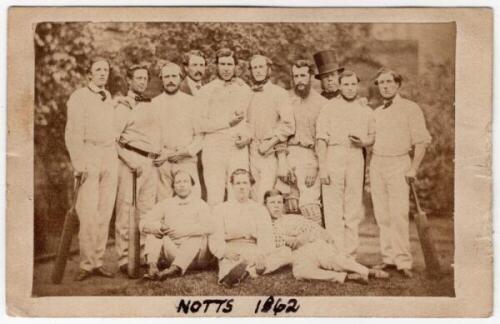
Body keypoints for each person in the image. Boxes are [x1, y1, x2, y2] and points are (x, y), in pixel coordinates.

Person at [370, 68, 432, 278]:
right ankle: (388, 259)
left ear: (398, 84)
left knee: (398, 213)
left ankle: (403, 261)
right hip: (378, 163)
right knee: (382, 214)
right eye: (381, 82)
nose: (385, 86)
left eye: (389, 82)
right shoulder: (376, 112)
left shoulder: (410, 108)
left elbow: (421, 141)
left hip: (399, 163)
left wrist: (413, 168)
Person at [65, 56, 118, 281]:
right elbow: (72, 132)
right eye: (97, 69)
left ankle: (98, 262)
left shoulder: (109, 98)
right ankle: (85, 265)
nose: (102, 73)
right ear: (89, 73)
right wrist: (79, 163)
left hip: (109, 154)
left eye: (105, 70)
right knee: (87, 212)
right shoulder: (79, 97)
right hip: (89, 154)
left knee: (105, 212)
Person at [265, 189, 388, 284]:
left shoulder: (292, 218)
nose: (276, 206)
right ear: (265, 205)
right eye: (272, 203)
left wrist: (301, 238)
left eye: (279, 202)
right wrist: (293, 240)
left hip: (313, 246)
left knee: (332, 259)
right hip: (298, 255)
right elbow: (281, 245)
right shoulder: (265, 226)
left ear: (283, 205)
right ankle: (345, 277)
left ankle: (367, 272)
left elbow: (316, 230)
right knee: (300, 272)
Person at [316, 70, 375, 259]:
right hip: (334, 155)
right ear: (340, 86)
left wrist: (364, 142)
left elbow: (372, 136)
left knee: (352, 208)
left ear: (357, 86)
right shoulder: (329, 108)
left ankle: (350, 255)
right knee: (333, 207)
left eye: (353, 84)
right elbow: (321, 139)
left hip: (356, 155)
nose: (350, 88)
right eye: (346, 84)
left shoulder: (365, 110)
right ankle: (335, 254)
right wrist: (323, 167)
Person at [210, 169, 292, 288]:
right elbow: (215, 236)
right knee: (229, 264)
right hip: (232, 250)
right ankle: (232, 275)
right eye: (238, 183)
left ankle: (249, 271)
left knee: (286, 252)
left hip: (253, 249)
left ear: (250, 185)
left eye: (245, 183)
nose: (241, 187)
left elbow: (267, 236)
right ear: (231, 186)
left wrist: (261, 255)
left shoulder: (259, 209)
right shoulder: (220, 209)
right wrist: (224, 252)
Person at [114, 64, 160, 275]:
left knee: (147, 210)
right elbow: (113, 140)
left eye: (144, 78)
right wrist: (129, 161)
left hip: (151, 162)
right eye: (138, 78)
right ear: (129, 80)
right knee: (126, 210)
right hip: (131, 161)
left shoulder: (149, 104)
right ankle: (125, 258)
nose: (142, 82)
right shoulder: (123, 106)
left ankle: (141, 255)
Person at [197, 48, 253, 206]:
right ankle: (216, 230)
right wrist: (227, 123)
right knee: (215, 194)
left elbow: (250, 120)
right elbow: (199, 124)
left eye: (230, 64)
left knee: (239, 193)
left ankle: (239, 230)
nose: (226, 68)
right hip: (214, 147)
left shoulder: (244, 89)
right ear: (216, 66)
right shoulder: (206, 90)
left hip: (237, 148)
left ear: (236, 66)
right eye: (222, 64)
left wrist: (247, 136)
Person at [140, 170, 215, 280]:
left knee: (197, 236)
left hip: (196, 257)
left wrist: (184, 231)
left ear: (192, 185)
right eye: (178, 182)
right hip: (172, 252)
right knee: (154, 233)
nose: (182, 185)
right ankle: (152, 267)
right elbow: (143, 223)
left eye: (185, 181)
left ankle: (176, 268)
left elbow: (211, 227)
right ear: (173, 186)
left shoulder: (200, 204)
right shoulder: (166, 203)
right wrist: (158, 228)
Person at [246, 54, 295, 203]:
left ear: (269, 69)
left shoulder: (279, 93)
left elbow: (289, 125)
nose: (258, 71)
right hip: (249, 150)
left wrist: (270, 142)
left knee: (266, 195)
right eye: (254, 68)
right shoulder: (247, 93)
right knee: (252, 197)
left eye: (261, 67)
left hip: (269, 151)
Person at [151, 62, 202, 201]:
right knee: (163, 203)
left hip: (186, 159)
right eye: (166, 77)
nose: (170, 80)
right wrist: (163, 153)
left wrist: (185, 152)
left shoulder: (192, 102)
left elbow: (200, 136)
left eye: (174, 76)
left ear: (180, 78)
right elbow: (151, 135)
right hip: (163, 162)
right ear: (161, 79)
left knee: (192, 202)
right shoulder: (154, 104)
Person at [285, 59, 325, 224]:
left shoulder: (322, 104)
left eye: (303, 76)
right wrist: (283, 162)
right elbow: (281, 129)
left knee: (309, 205)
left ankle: (317, 247)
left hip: (310, 156)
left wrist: (317, 165)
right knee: (290, 204)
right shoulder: (286, 99)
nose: (299, 80)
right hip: (288, 155)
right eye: (296, 76)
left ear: (311, 77)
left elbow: (323, 139)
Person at [179, 49, 208, 200]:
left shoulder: (209, 89)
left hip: (207, 148)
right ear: (185, 67)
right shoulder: (178, 89)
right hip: (187, 149)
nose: (198, 69)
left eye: (202, 65)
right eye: (194, 65)